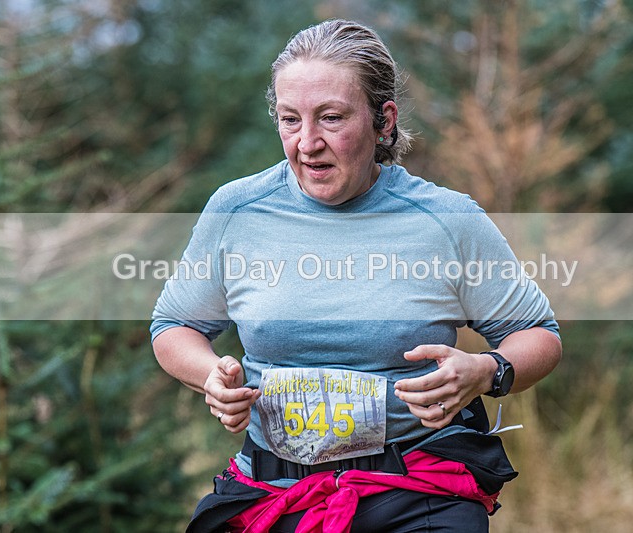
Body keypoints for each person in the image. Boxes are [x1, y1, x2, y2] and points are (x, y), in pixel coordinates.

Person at [151, 19, 561, 533]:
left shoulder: (446, 220)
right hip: (275, 490)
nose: (307, 143)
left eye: (331, 118)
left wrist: (486, 370)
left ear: (383, 121)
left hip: (419, 488)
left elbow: (538, 335)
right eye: (290, 120)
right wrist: (210, 373)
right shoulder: (238, 210)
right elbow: (174, 326)